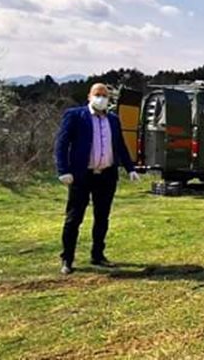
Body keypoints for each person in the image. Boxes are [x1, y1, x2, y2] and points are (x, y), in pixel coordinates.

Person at [55, 83, 140, 275]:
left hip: (107, 175)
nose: (101, 98)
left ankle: (98, 254)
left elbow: (120, 146)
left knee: (102, 218)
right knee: (74, 218)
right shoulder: (75, 116)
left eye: (105, 96)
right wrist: (63, 170)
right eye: (98, 94)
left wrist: (130, 168)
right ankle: (67, 259)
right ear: (89, 96)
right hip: (81, 176)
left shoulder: (113, 120)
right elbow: (61, 144)